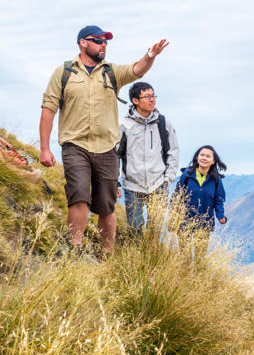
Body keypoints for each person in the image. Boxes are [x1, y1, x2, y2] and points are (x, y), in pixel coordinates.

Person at [39, 25, 169, 254]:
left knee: (107, 205)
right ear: (83, 43)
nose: (103, 45)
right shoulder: (64, 72)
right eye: (98, 41)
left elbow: (137, 70)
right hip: (74, 145)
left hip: (107, 148)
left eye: (105, 42)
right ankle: (75, 249)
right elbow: (48, 109)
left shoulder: (111, 72)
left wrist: (150, 56)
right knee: (78, 195)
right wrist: (44, 149)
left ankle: (107, 253)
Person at [117, 81, 179, 234]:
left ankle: (152, 258)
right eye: (147, 97)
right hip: (132, 185)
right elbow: (114, 154)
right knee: (134, 229)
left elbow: (173, 150)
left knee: (155, 231)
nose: (152, 100)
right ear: (135, 101)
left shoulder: (163, 123)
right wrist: (115, 181)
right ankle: (136, 258)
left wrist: (168, 178)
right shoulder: (124, 124)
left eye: (153, 96)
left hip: (159, 184)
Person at [175, 145, 227, 235]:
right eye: (202, 155)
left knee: (201, 249)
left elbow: (219, 200)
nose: (204, 158)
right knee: (184, 249)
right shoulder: (186, 176)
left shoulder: (216, 180)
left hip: (205, 224)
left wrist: (220, 216)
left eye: (208, 156)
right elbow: (176, 197)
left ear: (213, 161)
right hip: (184, 223)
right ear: (197, 157)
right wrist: (173, 217)